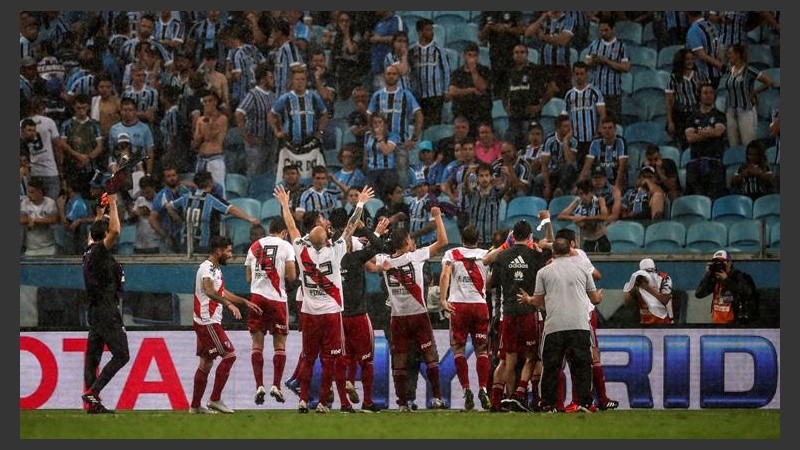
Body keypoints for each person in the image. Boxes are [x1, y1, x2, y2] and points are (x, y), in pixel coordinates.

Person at [274, 183, 374, 413]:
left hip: (309, 313)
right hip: (330, 314)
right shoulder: (336, 250)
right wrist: (360, 203)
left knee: (308, 358)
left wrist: (284, 205)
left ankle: (303, 400)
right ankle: (321, 402)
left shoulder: (301, 250)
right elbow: (350, 226)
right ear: (325, 238)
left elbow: (291, 227)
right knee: (330, 359)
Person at [375, 205, 449, 411]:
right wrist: (437, 216)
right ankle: (437, 397)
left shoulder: (384, 261)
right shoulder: (416, 256)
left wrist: (376, 234)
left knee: (399, 360)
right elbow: (443, 241)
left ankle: (402, 403)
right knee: (430, 356)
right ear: (408, 242)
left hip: (397, 317)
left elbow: (366, 259)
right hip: (418, 316)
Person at [517, 237, 603, 413]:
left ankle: (548, 404)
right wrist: (600, 296)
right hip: (579, 324)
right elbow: (595, 299)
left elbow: (538, 301)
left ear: (553, 252)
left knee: (551, 367)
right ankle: (584, 402)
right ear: (569, 250)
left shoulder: (544, 272)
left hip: (555, 326)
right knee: (582, 365)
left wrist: (528, 299)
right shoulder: (583, 268)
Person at [189, 235, 262, 414]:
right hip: (207, 321)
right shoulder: (206, 268)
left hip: (208, 320)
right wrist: (229, 305)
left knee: (206, 362)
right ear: (218, 251)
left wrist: (244, 302)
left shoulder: (215, 269)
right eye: (228, 251)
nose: (231, 255)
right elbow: (209, 291)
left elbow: (221, 291)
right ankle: (215, 399)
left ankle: (195, 406)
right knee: (229, 355)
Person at [484, 219, 548, 412]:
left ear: (513, 236)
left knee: (507, 359)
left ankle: (499, 401)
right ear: (529, 236)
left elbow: (490, 284)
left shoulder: (502, 256)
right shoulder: (536, 256)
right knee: (532, 357)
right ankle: (522, 394)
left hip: (508, 313)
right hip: (529, 311)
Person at [333, 213, 390, 413]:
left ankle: (344, 403)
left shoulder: (330, 262)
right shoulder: (354, 259)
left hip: (338, 316)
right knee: (366, 360)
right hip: (358, 316)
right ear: (347, 245)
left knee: (342, 360)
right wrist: (368, 229)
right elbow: (378, 247)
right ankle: (367, 402)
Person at [80, 192, 129, 414]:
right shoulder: (100, 252)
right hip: (107, 310)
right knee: (122, 354)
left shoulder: (89, 251)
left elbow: (95, 233)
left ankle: (93, 405)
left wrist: (100, 212)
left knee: (93, 358)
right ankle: (93, 392)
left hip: (95, 310)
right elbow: (116, 231)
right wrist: (113, 203)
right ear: (105, 236)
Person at [438, 224, 492, 411]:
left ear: (462, 238)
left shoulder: (452, 253)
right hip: (479, 305)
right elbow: (490, 280)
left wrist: (443, 299)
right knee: (482, 350)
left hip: (458, 305)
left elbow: (445, 275)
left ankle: (466, 389)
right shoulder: (486, 255)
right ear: (479, 239)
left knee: (459, 349)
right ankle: (483, 388)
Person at [244, 216, 297, 407]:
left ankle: (259, 385)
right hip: (276, 299)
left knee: (257, 344)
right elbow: (291, 276)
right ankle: (276, 385)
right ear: (284, 232)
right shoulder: (286, 246)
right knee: (279, 343)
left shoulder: (254, 246)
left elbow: (248, 278)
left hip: (257, 298)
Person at [721, 43, 774, 148]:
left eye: (730, 53)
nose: (728, 55)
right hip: (730, 111)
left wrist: (754, 92)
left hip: (745, 109)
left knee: (748, 143)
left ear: (738, 54)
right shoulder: (729, 70)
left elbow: (769, 81)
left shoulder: (749, 70)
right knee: (733, 144)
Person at [684, 83, 727, 200]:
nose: (709, 95)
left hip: (715, 161)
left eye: (711, 93)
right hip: (696, 161)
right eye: (705, 93)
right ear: (699, 95)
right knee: (695, 198)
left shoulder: (719, 115)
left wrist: (699, 132)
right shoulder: (692, 117)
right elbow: (690, 138)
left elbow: (718, 132)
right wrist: (708, 132)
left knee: (714, 197)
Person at [584, 16, 630, 123]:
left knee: (613, 122)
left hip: (613, 93)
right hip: (595, 92)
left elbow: (626, 67)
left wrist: (606, 61)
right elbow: (586, 64)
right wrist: (592, 61)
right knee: (594, 122)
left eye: (606, 30)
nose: (603, 33)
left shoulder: (621, 46)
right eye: (601, 30)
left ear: (613, 29)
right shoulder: (594, 45)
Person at [695, 250, 759, 326]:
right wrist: (708, 275)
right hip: (717, 324)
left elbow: (747, 292)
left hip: (735, 325)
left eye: (722, 261)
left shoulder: (739, 276)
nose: (720, 264)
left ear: (730, 263)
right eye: (716, 262)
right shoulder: (714, 278)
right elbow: (699, 294)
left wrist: (726, 280)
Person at [665, 48, 708, 151]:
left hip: (697, 113)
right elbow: (669, 101)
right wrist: (670, 121)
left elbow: (707, 95)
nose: (690, 62)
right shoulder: (673, 78)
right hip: (681, 116)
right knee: (684, 144)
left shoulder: (700, 75)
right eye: (687, 59)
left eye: (692, 59)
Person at [558, 179, 611, 253]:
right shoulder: (577, 201)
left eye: (586, 193)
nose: (583, 196)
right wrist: (575, 218)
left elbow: (604, 217)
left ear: (591, 193)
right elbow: (560, 216)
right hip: (586, 240)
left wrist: (585, 218)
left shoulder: (599, 200)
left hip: (600, 239)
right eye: (581, 194)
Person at [622, 258, 674, 325]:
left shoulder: (664, 278)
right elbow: (627, 303)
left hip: (663, 323)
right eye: (646, 272)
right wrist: (632, 286)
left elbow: (665, 299)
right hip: (645, 323)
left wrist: (646, 287)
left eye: (651, 271)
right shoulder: (639, 281)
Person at [19, 177, 59, 257]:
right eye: (28, 192)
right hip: (31, 249)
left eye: (32, 192)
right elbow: (22, 219)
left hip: (48, 248)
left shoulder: (50, 202)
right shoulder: (25, 202)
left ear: (39, 192)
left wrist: (34, 220)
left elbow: (54, 219)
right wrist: (42, 220)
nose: (29, 195)